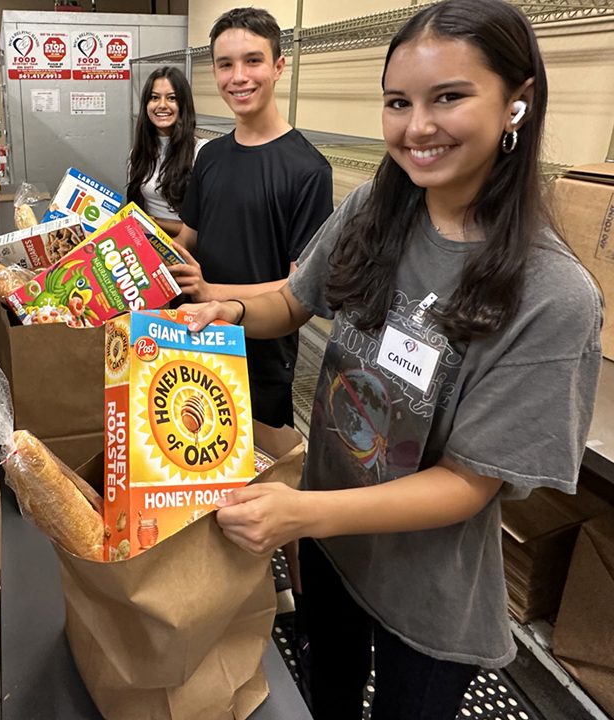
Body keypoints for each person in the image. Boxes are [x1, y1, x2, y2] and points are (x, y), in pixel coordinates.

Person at [186, 1, 602, 718]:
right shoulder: (377, 208)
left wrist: (300, 512)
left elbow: (467, 485)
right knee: (328, 697)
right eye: (398, 102)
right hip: (328, 547)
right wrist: (229, 311)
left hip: (426, 595)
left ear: (517, 103)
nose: (416, 127)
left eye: (449, 97)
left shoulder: (552, 295)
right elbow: (293, 300)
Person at [169, 7, 333, 429]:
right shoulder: (211, 156)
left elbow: (301, 291)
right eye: (226, 64)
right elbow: (188, 239)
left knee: (251, 477)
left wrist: (213, 293)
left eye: (253, 61)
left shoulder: (308, 170)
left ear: (278, 66)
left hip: (259, 356)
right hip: (190, 338)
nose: (238, 77)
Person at [126, 66, 207, 238]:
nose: (162, 105)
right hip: (147, 245)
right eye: (154, 97)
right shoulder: (137, 154)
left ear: (183, 105)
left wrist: (153, 223)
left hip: (188, 251)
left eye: (171, 98)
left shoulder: (201, 153)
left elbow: (207, 224)